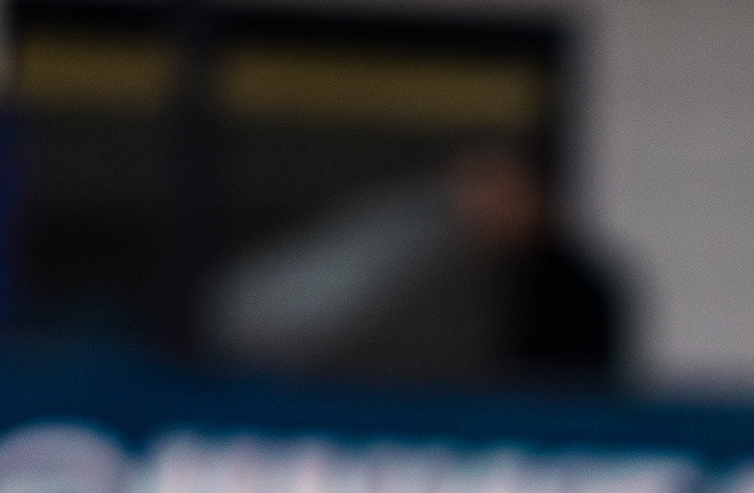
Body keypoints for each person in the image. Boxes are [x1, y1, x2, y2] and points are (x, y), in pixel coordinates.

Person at [207, 135, 625, 386]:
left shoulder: (564, 287)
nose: (476, 210)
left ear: (533, 198)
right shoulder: (422, 243)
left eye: (494, 193)